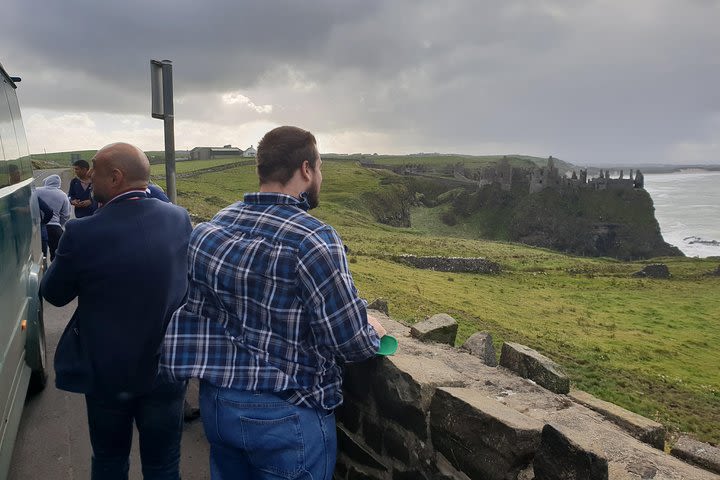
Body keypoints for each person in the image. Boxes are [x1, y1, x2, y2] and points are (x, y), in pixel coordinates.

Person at [161, 126, 386, 480]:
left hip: (219, 405)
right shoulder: (313, 239)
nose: (321, 177)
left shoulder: (212, 227)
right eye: (320, 168)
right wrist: (370, 329)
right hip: (285, 415)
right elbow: (351, 342)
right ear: (306, 169)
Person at [41, 143, 192, 480]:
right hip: (165, 370)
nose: (89, 177)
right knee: (164, 465)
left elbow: (54, 294)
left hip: (107, 375)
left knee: (109, 461)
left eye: (94, 169)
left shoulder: (81, 232)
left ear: (116, 177)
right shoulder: (179, 218)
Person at [35, 174, 70, 261]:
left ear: (46, 181)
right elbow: (66, 215)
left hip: (38, 227)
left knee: (40, 257)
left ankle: (44, 272)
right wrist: (59, 224)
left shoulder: (37, 191)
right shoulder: (62, 195)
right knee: (56, 256)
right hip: (54, 228)